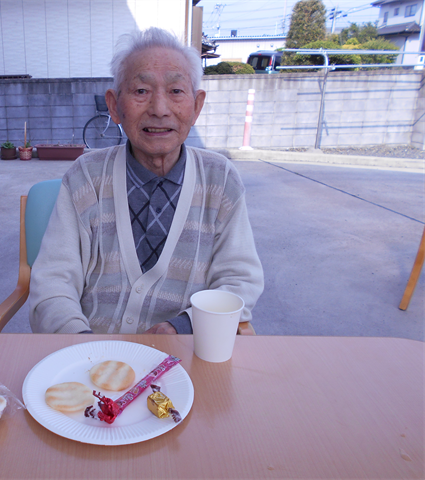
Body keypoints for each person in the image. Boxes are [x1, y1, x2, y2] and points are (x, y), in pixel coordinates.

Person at [29, 27, 264, 334]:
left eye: (176, 91)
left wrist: (183, 326)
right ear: (114, 106)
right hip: (89, 359)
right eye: (141, 91)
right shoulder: (85, 176)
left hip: (184, 357)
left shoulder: (220, 180)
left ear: (196, 106)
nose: (159, 109)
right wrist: (83, 346)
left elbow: (239, 280)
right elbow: (52, 283)